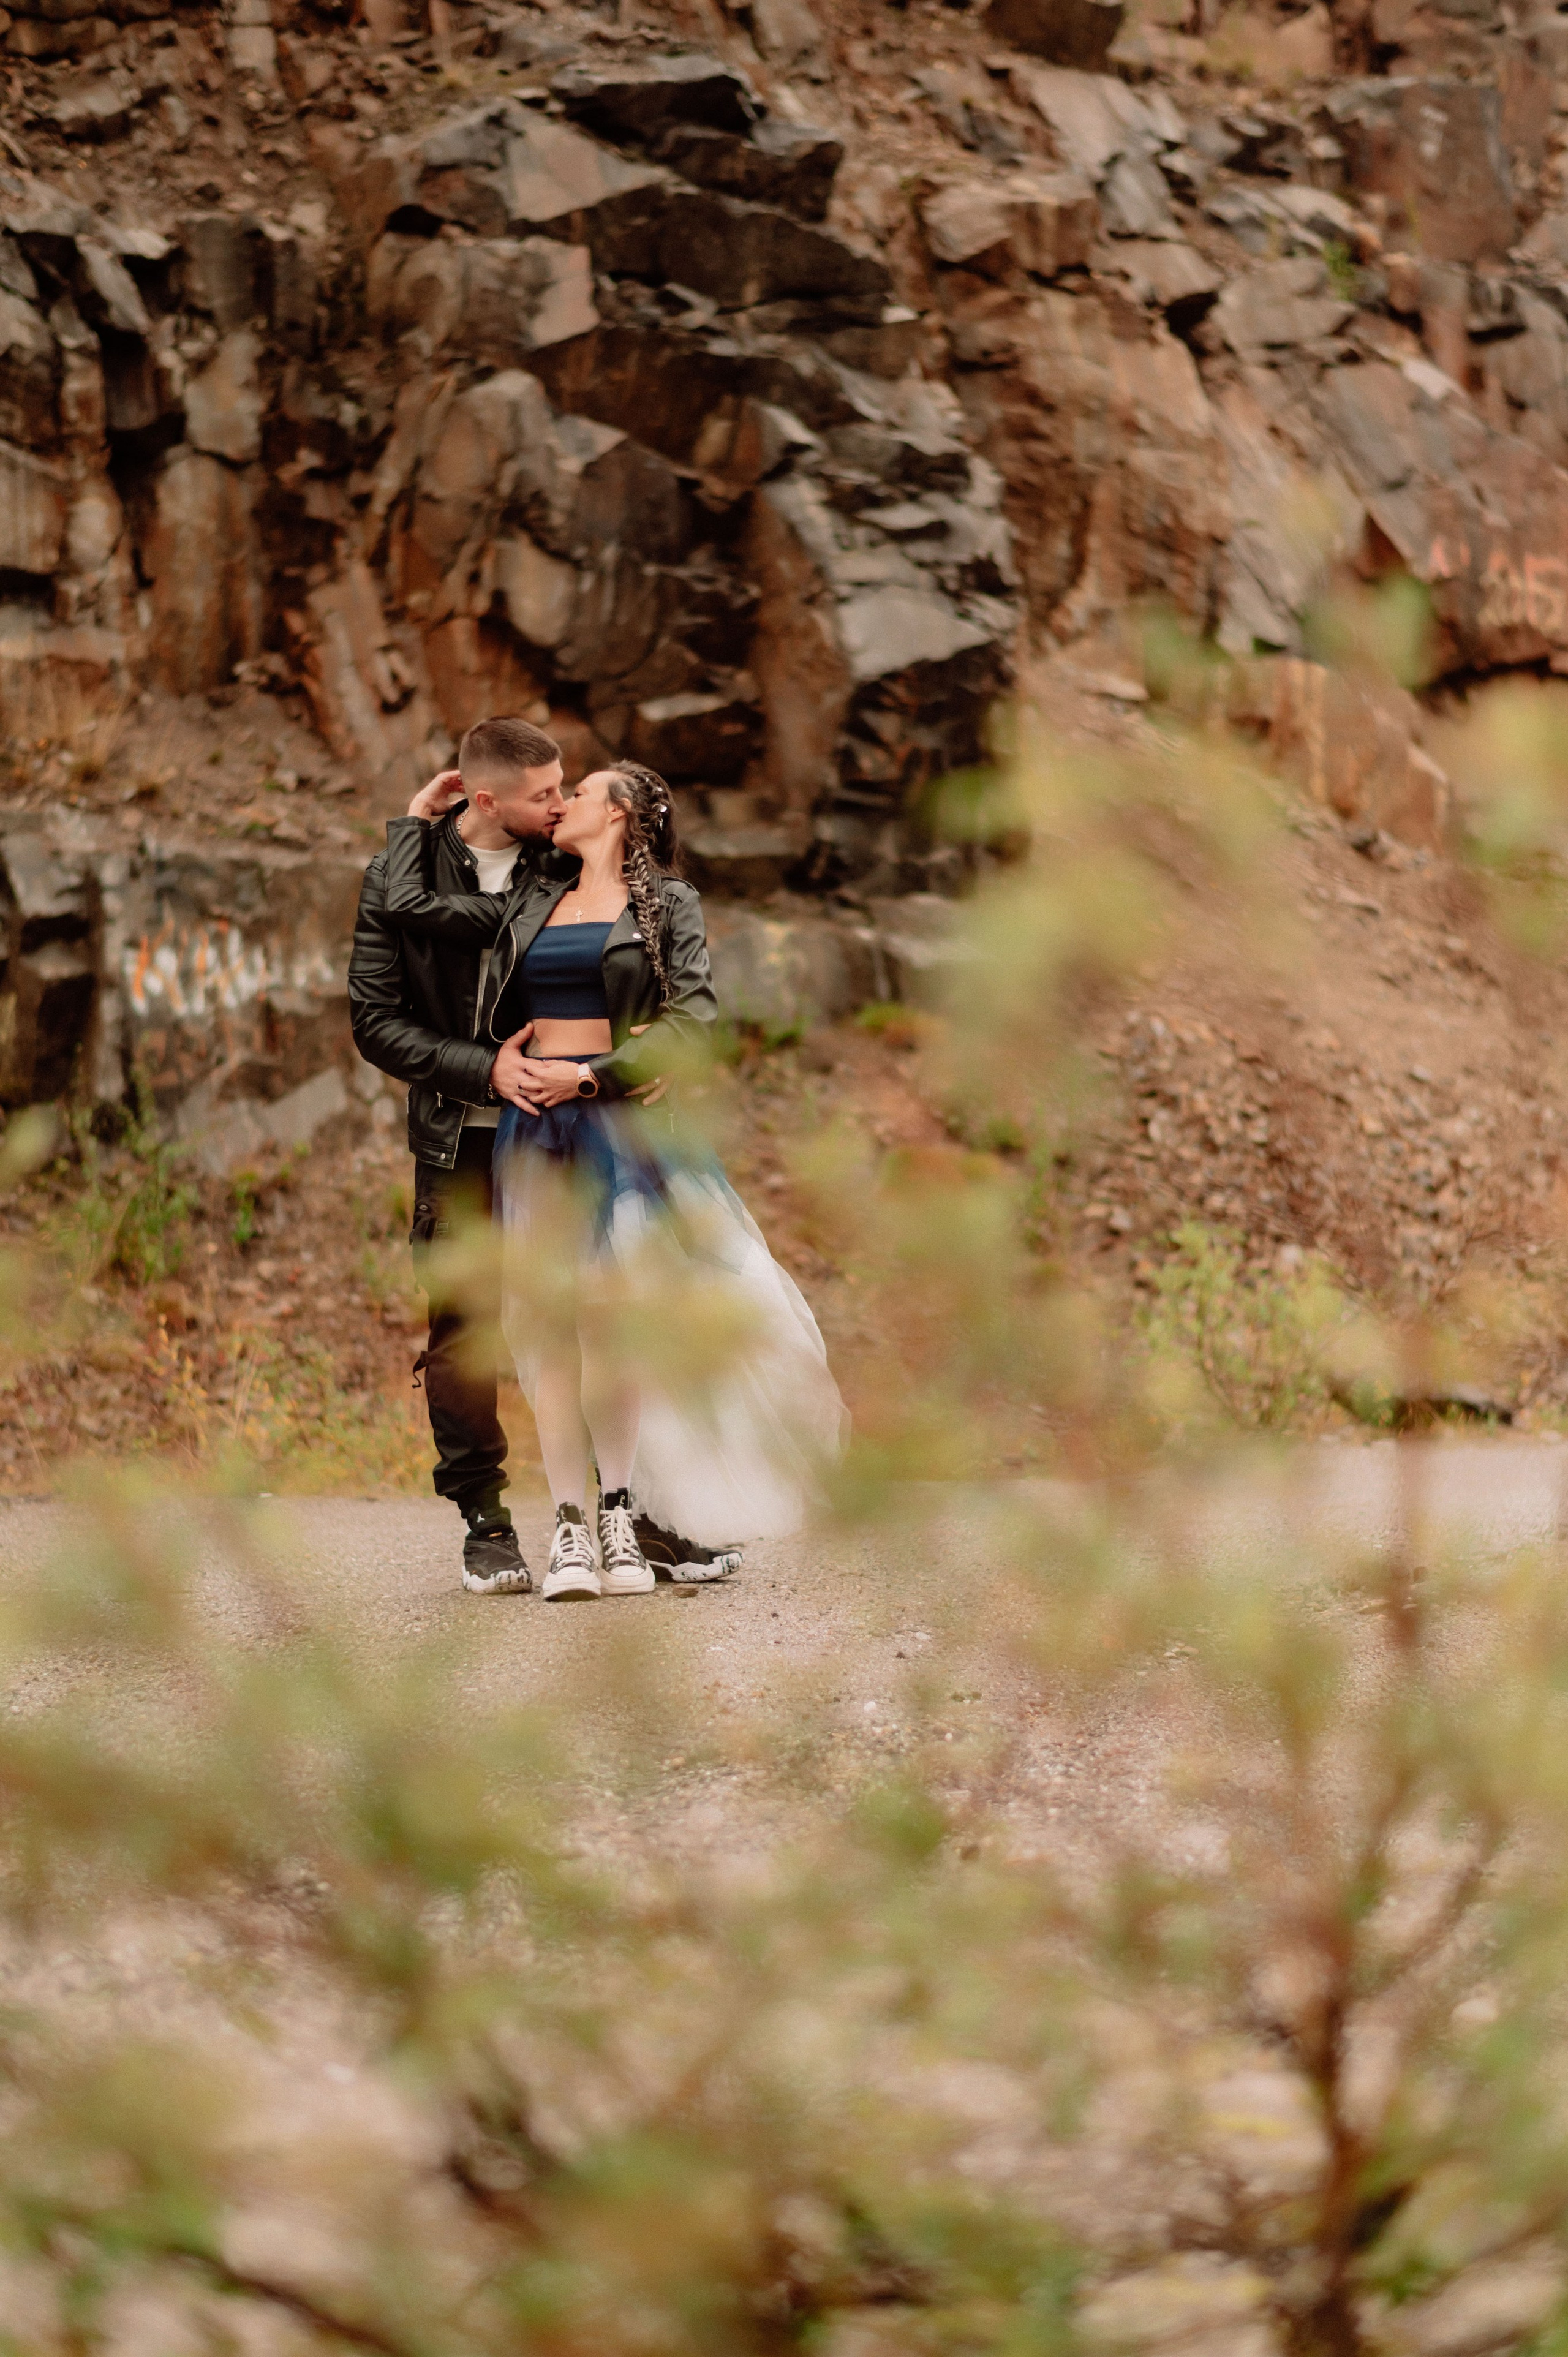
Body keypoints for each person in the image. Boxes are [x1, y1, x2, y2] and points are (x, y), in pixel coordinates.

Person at [379, 760, 848, 1602]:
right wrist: (416, 827)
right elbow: (416, 908)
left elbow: (694, 1019)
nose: (562, 806)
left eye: (581, 793)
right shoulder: (530, 894)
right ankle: (568, 1529)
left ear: (622, 815)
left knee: (616, 1327)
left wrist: (594, 1075)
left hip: (619, 1130)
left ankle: (621, 1519)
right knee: (550, 1325)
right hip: (534, 1133)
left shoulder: (668, 904)